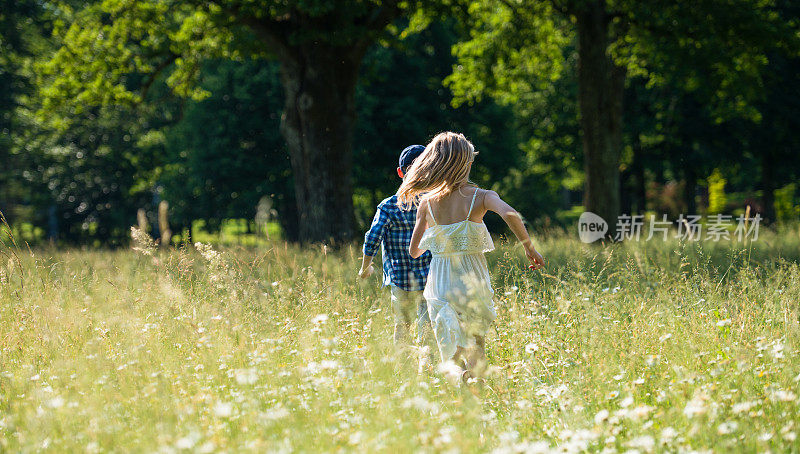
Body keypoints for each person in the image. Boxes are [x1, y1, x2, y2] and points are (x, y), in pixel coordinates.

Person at [399, 131, 545, 381]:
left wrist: (438, 241)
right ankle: (478, 394)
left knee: (451, 353)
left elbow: (414, 251)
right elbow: (511, 215)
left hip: (442, 285)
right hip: (472, 283)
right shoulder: (482, 197)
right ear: (466, 163)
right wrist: (529, 248)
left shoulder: (427, 204)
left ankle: (460, 378)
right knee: (477, 348)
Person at [359, 145, 433, 348]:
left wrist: (365, 268)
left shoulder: (389, 206)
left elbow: (372, 238)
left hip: (400, 280)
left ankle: (404, 371)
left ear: (400, 172)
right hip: (431, 277)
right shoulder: (436, 203)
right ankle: (426, 370)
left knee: (402, 326)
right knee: (427, 327)